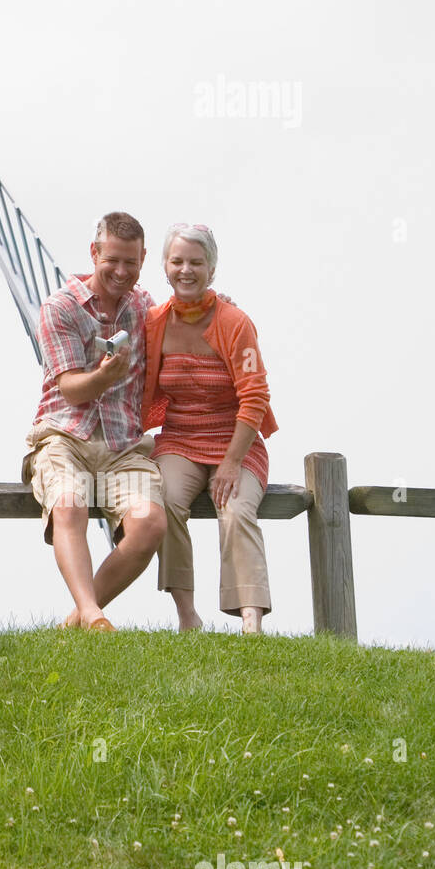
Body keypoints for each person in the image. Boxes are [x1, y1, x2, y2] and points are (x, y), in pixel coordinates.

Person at [23, 212, 167, 631]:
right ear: (94, 253)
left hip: (123, 444)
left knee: (150, 524)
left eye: (131, 263)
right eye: (113, 261)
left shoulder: (144, 305)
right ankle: (93, 614)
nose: (121, 272)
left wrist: (219, 307)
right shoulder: (60, 308)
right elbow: (69, 389)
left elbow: (185, 322)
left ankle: (79, 618)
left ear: (142, 260)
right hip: (64, 434)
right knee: (68, 504)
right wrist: (104, 376)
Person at [142, 223, 277, 635]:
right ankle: (187, 616)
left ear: (212, 269)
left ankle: (251, 622)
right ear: (164, 267)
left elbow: (255, 396)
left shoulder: (236, 323)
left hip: (236, 442)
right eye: (177, 261)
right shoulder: (153, 322)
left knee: (236, 510)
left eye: (196, 262)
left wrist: (233, 463)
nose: (186, 270)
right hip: (180, 439)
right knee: (162, 502)